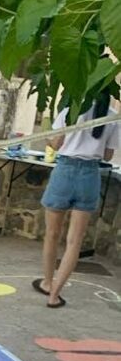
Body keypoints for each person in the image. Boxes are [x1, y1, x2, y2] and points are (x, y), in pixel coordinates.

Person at [33, 91, 120, 308]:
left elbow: (56, 144)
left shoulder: (71, 108)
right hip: (90, 175)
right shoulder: (111, 115)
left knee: (52, 235)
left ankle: (47, 282)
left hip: (65, 170)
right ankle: (55, 295)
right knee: (75, 242)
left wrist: (47, 137)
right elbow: (108, 156)